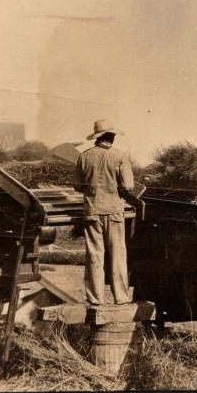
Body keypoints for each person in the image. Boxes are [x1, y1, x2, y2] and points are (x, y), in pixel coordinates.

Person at [73, 119, 134, 306]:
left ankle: (95, 298)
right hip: (114, 211)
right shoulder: (120, 156)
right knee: (117, 254)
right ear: (111, 136)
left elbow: (77, 185)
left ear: (97, 137)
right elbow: (129, 186)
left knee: (94, 254)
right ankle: (121, 297)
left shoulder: (84, 157)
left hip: (92, 211)